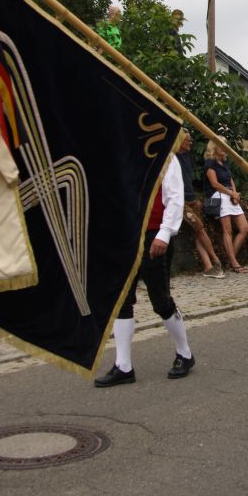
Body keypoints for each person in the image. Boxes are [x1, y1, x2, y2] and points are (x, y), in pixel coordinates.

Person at [94, 155, 194, 386]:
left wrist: (164, 233)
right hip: (126, 236)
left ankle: (185, 354)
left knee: (160, 299)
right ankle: (123, 365)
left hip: (154, 235)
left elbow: (175, 198)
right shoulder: (126, 152)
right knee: (122, 298)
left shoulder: (165, 155)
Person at [176, 130, 224, 278]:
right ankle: (216, 261)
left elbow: (188, 180)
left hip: (192, 199)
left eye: (191, 140)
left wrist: (195, 198)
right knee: (200, 228)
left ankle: (209, 267)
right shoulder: (173, 158)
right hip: (181, 201)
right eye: (187, 140)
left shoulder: (187, 156)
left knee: (199, 232)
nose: (191, 143)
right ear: (179, 141)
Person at [204, 138, 248, 274]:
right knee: (227, 230)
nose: (224, 148)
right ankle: (234, 263)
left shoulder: (224, 163)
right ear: (214, 147)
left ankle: (230, 259)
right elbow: (215, 184)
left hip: (229, 195)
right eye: (221, 145)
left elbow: (230, 179)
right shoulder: (210, 163)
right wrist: (231, 193)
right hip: (218, 196)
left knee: (245, 228)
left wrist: (234, 194)